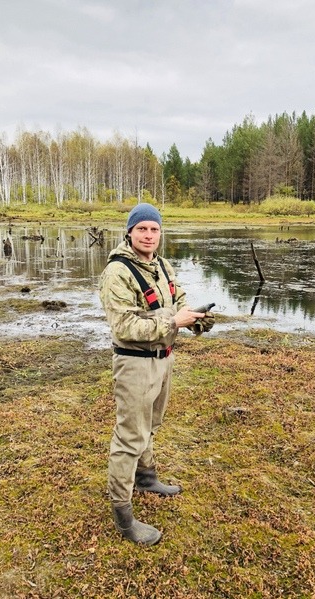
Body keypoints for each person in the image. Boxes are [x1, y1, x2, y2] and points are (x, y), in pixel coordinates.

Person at [99, 203, 215, 546]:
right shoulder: (116, 273)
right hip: (134, 363)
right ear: (130, 232)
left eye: (154, 229)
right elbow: (125, 325)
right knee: (129, 436)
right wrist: (174, 322)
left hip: (164, 358)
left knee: (151, 423)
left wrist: (195, 317)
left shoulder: (162, 265)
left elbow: (178, 302)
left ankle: (146, 477)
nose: (149, 235)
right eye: (142, 229)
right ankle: (123, 514)